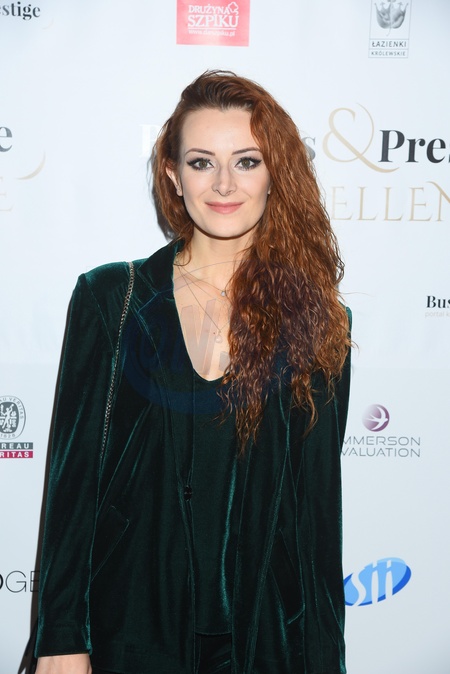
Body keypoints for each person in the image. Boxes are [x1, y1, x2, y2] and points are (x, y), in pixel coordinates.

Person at [35, 70, 351, 674]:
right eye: (202, 162)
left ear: (276, 174)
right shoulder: (111, 298)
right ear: (174, 176)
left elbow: (316, 516)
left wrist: (325, 658)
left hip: (265, 641)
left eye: (247, 161)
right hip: (130, 628)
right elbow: (71, 487)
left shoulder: (317, 318)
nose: (224, 183)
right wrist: (60, 637)